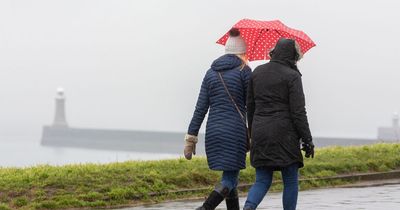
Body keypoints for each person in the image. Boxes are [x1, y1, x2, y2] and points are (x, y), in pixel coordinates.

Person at [243, 38, 315, 210]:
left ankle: (247, 208)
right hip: (285, 135)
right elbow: (298, 112)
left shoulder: (257, 72)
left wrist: (252, 133)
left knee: (262, 180)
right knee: (290, 180)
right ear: (293, 55)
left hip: (260, 132)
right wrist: (308, 140)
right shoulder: (292, 76)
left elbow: (250, 107)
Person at [184, 28, 251, 210]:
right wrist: (253, 133)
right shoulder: (245, 71)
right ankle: (204, 208)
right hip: (234, 131)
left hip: (213, 131)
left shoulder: (210, 73)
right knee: (229, 178)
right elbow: (251, 106)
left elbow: (201, 108)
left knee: (231, 178)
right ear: (242, 51)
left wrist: (191, 137)